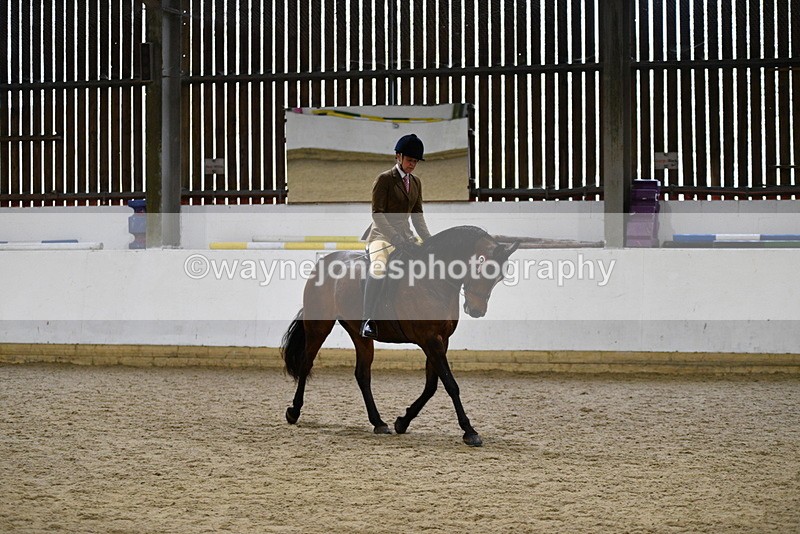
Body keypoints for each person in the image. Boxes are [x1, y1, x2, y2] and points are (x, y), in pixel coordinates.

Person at [359, 133, 432, 338]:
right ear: (398, 157)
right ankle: (367, 320)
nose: (412, 165)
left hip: (406, 238)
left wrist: (429, 240)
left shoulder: (416, 182)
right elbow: (378, 214)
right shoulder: (384, 180)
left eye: (416, 161)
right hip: (381, 237)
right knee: (379, 267)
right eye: (410, 160)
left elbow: (417, 215)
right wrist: (395, 238)